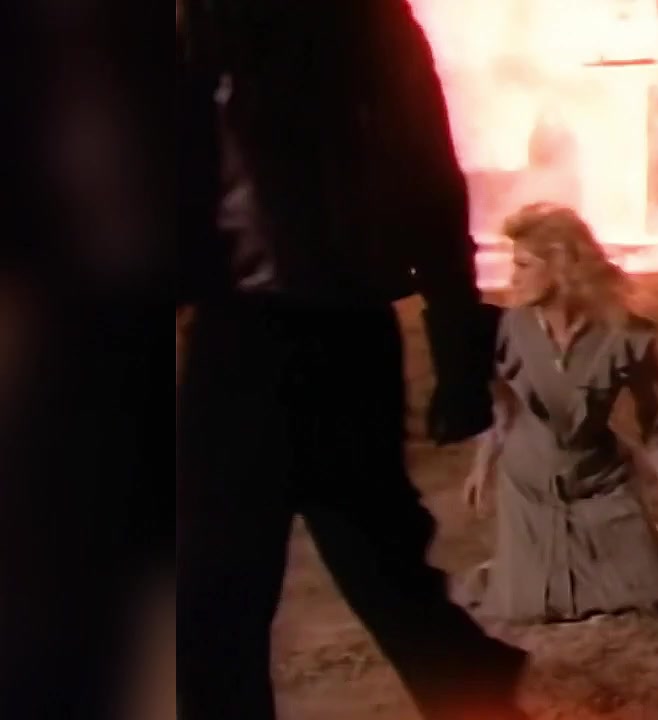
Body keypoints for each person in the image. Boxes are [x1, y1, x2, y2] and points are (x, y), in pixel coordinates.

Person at [177, 1, 528, 718]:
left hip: (334, 332)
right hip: (242, 337)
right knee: (219, 600)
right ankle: (475, 684)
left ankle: (476, 691)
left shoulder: (362, 23)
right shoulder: (206, 25)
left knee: (381, 572)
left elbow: (431, 182)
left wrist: (458, 346)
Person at [456, 202, 658, 625]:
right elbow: (502, 409)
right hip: (530, 486)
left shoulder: (624, 336)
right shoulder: (508, 329)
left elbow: (654, 421)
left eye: (524, 265)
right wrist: (482, 468)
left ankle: (649, 541)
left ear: (560, 267)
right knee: (526, 607)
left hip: (599, 482)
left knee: (657, 594)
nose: (512, 278)